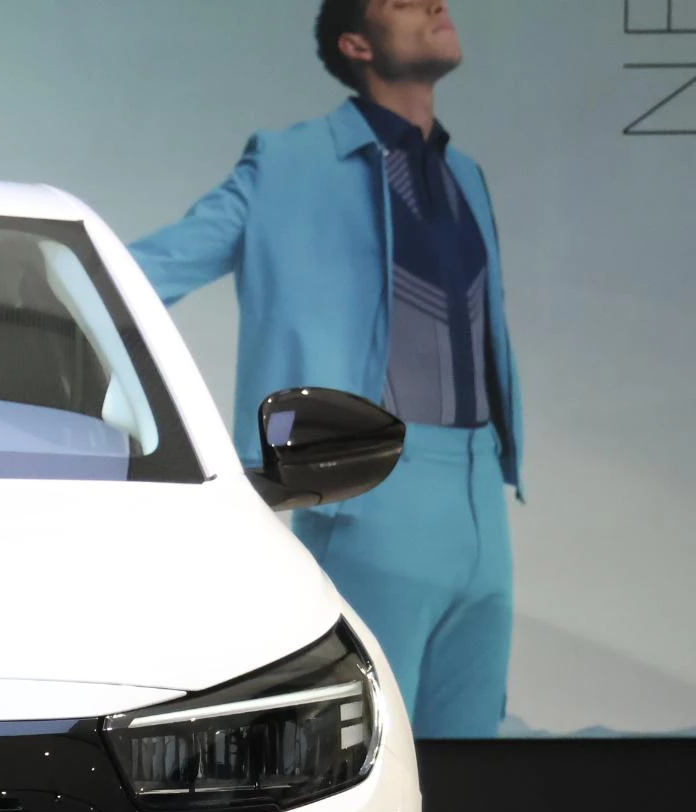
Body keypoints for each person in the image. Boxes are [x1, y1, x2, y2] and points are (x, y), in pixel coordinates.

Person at [129, 0, 522, 738]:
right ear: (356, 44)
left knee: (475, 751)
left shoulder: (465, 174)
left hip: (481, 495)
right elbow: (144, 274)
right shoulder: (286, 163)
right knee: (369, 742)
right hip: (368, 484)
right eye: (401, 2)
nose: (435, 4)